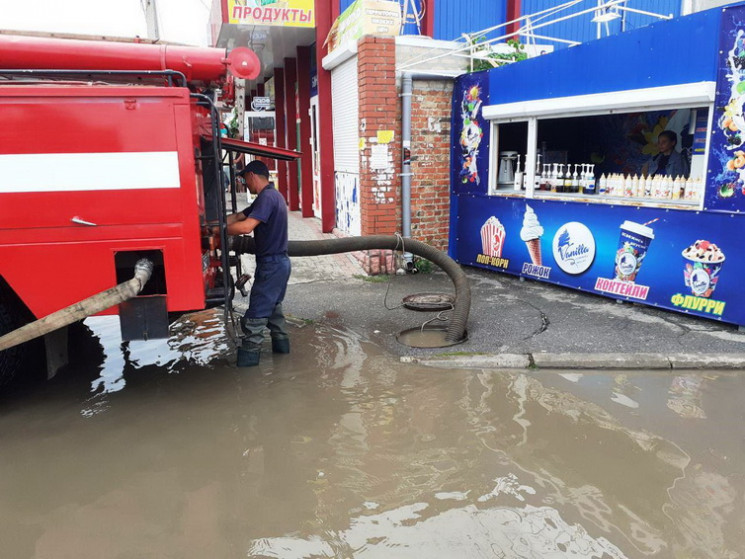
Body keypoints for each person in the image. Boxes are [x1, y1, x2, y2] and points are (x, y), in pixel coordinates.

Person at [222, 159, 291, 367]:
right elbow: (239, 216)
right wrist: (215, 223)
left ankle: (247, 376)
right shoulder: (271, 196)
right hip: (279, 265)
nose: (244, 184)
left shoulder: (267, 197)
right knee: (274, 314)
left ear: (252, 176)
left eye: (244, 179)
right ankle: (284, 359)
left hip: (272, 266)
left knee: (254, 319)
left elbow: (245, 227)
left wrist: (218, 232)